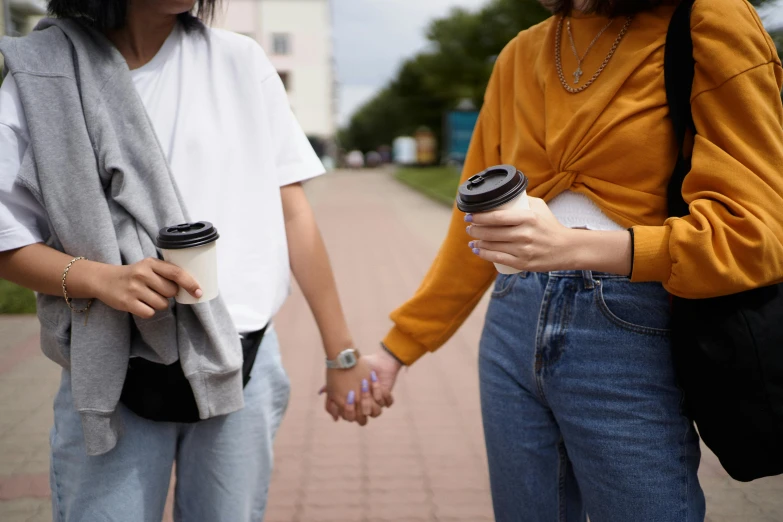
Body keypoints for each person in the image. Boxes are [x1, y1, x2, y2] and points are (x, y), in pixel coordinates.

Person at [355, 0, 783, 520]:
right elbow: (471, 232)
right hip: (511, 322)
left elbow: (755, 235)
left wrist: (573, 246)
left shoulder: (706, 19)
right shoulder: (521, 52)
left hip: (631, 326)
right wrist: (398, 349)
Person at [0, 1, 390, 520]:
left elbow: (293, 214)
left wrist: (341, 356)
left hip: (242, 361)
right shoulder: (44, 74)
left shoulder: (239, 61)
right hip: (116, 365)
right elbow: (7, 234)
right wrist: (100, 279)